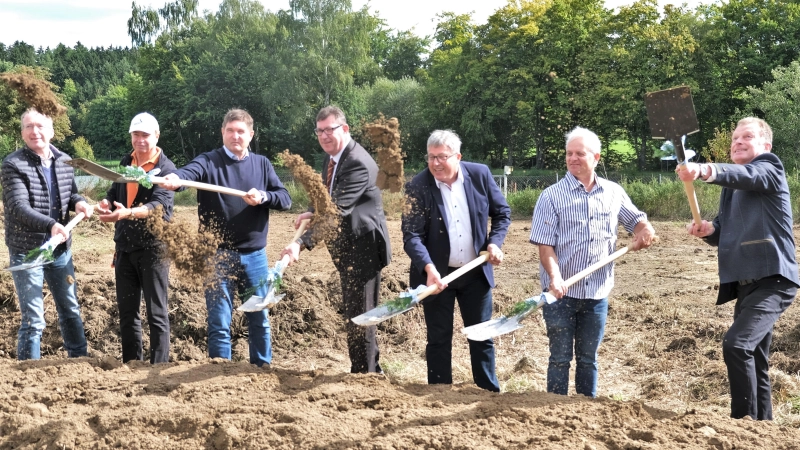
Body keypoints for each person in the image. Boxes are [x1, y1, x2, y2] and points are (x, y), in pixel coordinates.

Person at [676, 117, 798, 420]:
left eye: (747, 137)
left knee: (736, 345)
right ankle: (763, 428)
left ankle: (742, 423)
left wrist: (705, 169)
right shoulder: (731, 188)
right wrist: (709, 231)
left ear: (765, 146)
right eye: (734, 139)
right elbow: (724, 230)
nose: (738, 142)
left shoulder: (769, 168)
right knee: (755, 358)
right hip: (746, 284)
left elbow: (748, 176)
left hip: (774, 280)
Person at [529, 126, 654, 398]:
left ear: (596, 157)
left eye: (580, 153)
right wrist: (555, 277)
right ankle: (553, 409)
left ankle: (587, 413)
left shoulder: (613, 192)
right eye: (569, 153)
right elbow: (545, 245)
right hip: (559, 293)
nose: (573, 158)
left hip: (597, 293)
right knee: (560, 358)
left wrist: (644, 229)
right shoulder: (550, 197)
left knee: (588, 359)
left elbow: (636, 220)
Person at [160, 108, 291, 367]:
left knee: (259, 319)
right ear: (222, 132)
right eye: (230, 130)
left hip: (255, 256)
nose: (235, 136)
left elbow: (285, 198)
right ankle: (220, 374)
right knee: (219, 321)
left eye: (241, 131)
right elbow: (189, 174)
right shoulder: (210, 161)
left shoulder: (262, 164)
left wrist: (264, 196)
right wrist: (176, 179)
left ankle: (261, 369)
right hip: (216, 256)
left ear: (250, 135)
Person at [282, 106, 391, 374]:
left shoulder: (356, 162)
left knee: (362, 316)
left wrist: (300, 243)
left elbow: (334, 215)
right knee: (355, 312)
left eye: (329, 130)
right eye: (319, 131)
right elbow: (325, 195)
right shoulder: (332, 158)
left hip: (363, 248)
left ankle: (364, 375)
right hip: (348, 247)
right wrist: (311, 209)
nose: (324, 136)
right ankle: (367, 370)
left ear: (344, 129)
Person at [402, 129, 510, 392]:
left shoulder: (480, 175)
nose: (436, 163)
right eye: (431, 157)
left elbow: (502, 213)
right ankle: (439, 392)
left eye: (442, 157)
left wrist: (494, 242)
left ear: (458, 156)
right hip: (437, 277)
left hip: (475, 274)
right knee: (438, 338)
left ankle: (487, 391)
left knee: (481, 335)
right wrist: (428, 268)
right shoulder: (417, 186)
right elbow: (411, 235)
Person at [1, 108, 94, 360]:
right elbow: (19, 208)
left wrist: (80, 203)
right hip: (27, 251)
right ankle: (27, 374)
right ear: (22, 133)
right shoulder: (13, 165)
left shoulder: (65, 161)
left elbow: (71, 194)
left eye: (40, 126)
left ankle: (79, 359)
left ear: (52, 131)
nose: (35, 132)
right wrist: (51, 224)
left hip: (60, 251)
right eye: (29, 127)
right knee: (34, 319)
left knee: (70, 309)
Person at [96, 112, 176, 364]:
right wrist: (107, 202)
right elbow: (114, 189)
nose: (140, 140)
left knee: (156, 312)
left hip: (153, 248)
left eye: (145, 135)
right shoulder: (126, 161)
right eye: (136, 135)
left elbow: (157, 206)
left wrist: (127, 213)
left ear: (156, 136)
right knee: (128, 313)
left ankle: (158, 366)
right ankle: (131, 363)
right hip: (125, 249)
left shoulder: (166, 170)